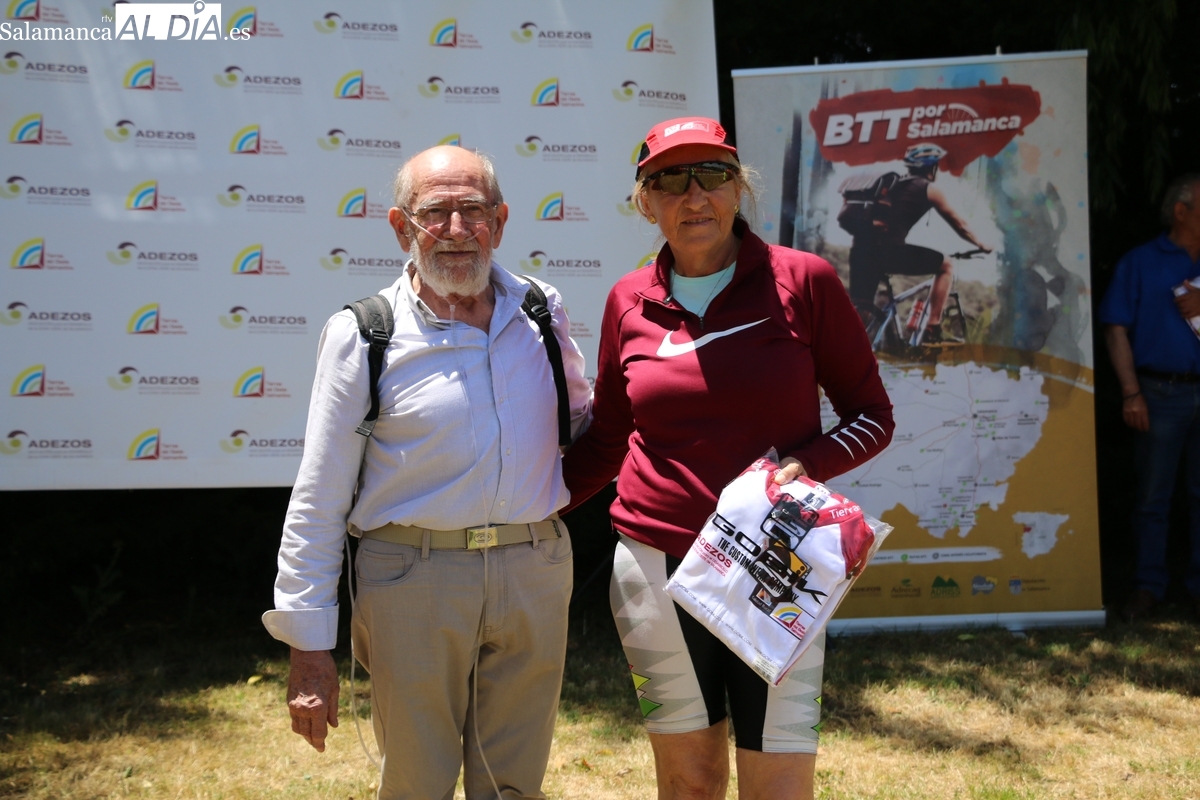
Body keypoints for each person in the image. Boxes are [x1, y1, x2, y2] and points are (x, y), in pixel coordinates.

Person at [561, 116, 895, 800]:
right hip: (655, 563)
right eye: (670, 180)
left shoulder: (803, 280)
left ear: (738, 188)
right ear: (645, 202)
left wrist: (805, 466)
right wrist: (530, 503)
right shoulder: (628, 300)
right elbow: (609, 437)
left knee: (780, 783)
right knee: (689, 781)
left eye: (712, 175)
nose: (694, 196)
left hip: (779, 564)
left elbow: (872, 417)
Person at [262, 145, 591, 799]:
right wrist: (308, 645)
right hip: (412, 580)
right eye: (435, 212)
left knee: (514, 786)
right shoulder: (364, 333)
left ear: (500, 222)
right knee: (418, 785)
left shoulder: (539, 309)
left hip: (534, 569)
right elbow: (321, 493)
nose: (456, 229)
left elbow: (583, 422)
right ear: (401, 227)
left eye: (473, 210)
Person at [1100, 172, 1200, 622]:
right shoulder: (1140, 262)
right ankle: (1148, 587)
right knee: (1153, 498)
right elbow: (1115, 329)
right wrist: (1131, 393)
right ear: (1181, 211)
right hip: (1159, 394)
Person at [846, 142, 991, 342]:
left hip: (860, 251)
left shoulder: (891, 186)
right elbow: (960, 224)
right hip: (888, 252)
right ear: (932, 167)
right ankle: (932, 328)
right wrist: (982, 245)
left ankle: (841, 347)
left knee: (860, 310)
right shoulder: (928, 188)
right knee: (946, 265)